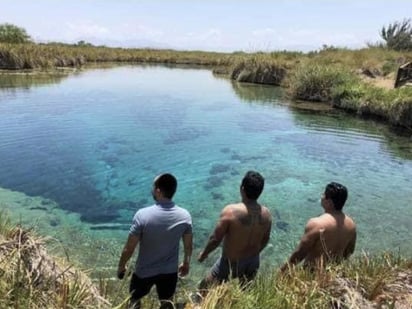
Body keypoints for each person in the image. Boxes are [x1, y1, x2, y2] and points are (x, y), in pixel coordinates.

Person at [117, 173, 193, 309]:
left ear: (158, 191)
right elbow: (188, 246)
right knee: (167, 303)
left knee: (134, 300)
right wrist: (186, 263)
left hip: (143, 272)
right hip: (169, 273)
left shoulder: (142, 215)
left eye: (153, 187)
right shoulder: (185, 216)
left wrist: (121, 266)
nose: (152, 189)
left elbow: (129, 248)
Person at [197, 170, 272, 292]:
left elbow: (215, 239)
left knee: (203, 288)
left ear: (242, 188)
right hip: (253, 261)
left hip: (229, 264)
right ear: (260, 191)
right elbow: (266, 239)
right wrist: (255, 253)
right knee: (245, 292)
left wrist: (204, 254)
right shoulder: (267, 214)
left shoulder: (230, 212)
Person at [281, 182, 357, 271]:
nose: (321, 196)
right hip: (334, 273)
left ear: (329, 202)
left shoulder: (316, 224)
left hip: (312, 274)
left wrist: (283, 271)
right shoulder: (351, 225)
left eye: (324, 195)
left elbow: (300, 253)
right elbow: (349, 251)